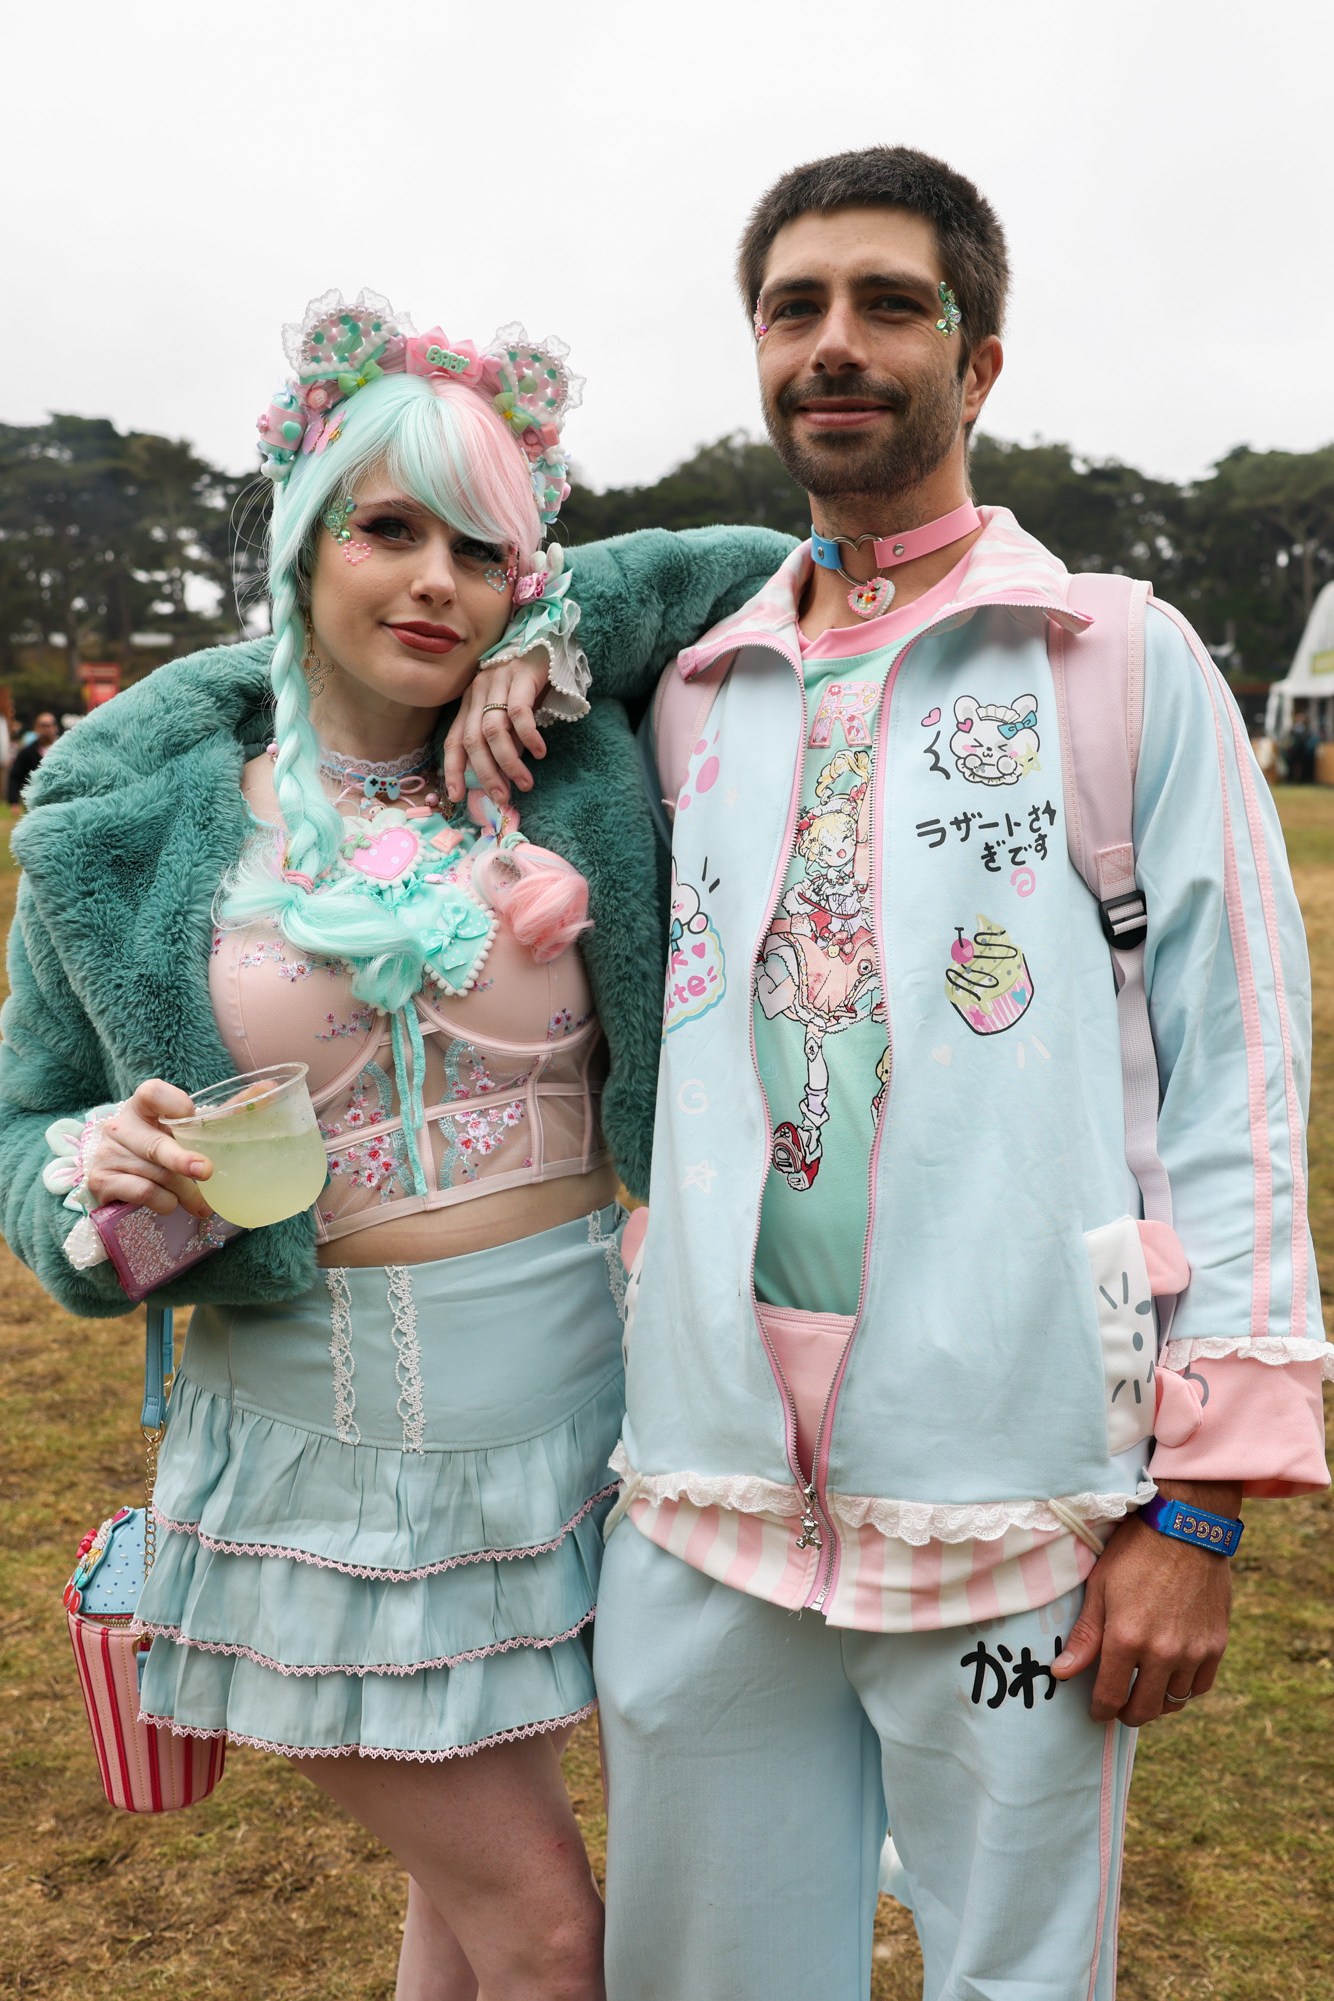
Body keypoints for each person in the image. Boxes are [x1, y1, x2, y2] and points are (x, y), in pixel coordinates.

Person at [580, 149, 1332, 2000]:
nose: (832, 345)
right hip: (702, 1492)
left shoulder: (1112, 660)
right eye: (792, 306)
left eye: (885, 303)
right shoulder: (688, 690)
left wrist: (1198, 1504)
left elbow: (1237, 1087)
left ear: (974, 361)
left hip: (1011, 1491)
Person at [0, 290, 788, 2001]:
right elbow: (30, 1123)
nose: (431, 578)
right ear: (301, 545)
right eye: (384, 530)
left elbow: (766, 558)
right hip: (324, 1460)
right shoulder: (126, 827)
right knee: (551, 1933)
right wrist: (98, 1177)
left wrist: (557, 630)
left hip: (592, 1429)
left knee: (464, 1916)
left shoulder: (561, 746)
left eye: (478, 548)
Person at [7, 709, 60, 807]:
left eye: (49, 725)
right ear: (36, 728)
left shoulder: (63, 750)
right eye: (43, 726)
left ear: (55, 727)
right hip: (35, 803)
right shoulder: (27, 753)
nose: (46, 729)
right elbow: (16, 776)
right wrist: (14, 801)